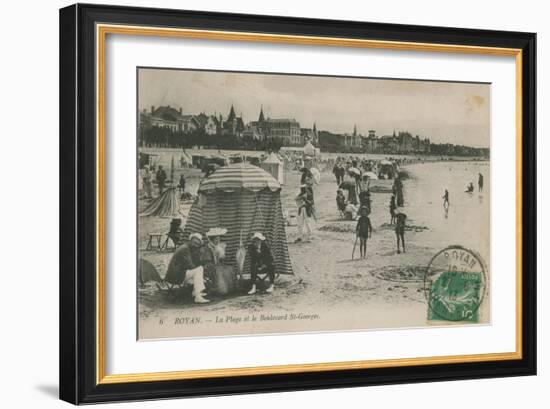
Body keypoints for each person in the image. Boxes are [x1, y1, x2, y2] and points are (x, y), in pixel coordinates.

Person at [164, 233, 210, 303]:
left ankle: (196, 292)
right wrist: (201, 272)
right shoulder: (185, 249)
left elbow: (188, 264)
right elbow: (190, 265)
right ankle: (197, 296)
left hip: (176, 273)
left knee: (198, 270)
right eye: (195, 243)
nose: (195, 246)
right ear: (191, 241)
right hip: (175, 276)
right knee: (199, 269)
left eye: (197, 244)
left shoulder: (185, 247)